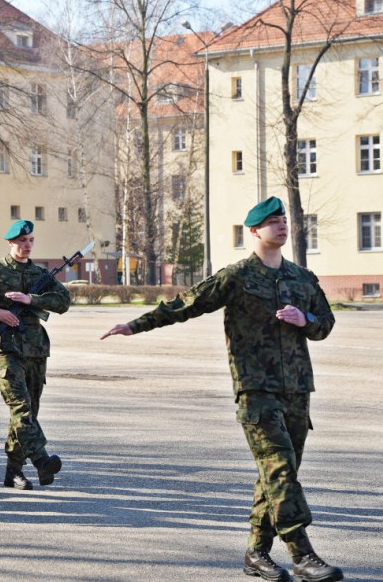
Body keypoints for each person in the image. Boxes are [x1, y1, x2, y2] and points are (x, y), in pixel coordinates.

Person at [100, 197, 343, 582]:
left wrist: (305, 318)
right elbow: (187, 304)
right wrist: (136, 325)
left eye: (284, 219)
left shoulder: (302, 278)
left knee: (277, 473)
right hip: (255, 389)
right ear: (254, 231)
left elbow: (325, 324)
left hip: (297, 389)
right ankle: (303, 555)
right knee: (280, 469)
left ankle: (256, 553)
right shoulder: (238, 277)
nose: (282, 225)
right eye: (273, 221)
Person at [0, 220, 68, 490]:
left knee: (28, 412)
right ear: (10, 242)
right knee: (20, 408)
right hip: (6, 347)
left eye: (31, 240)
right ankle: (41, 459)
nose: (27, 245)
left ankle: (13, 472)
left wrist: (33, 300)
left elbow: (64, 301)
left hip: (35, 349)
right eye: (22, 241)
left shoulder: (40, 273)